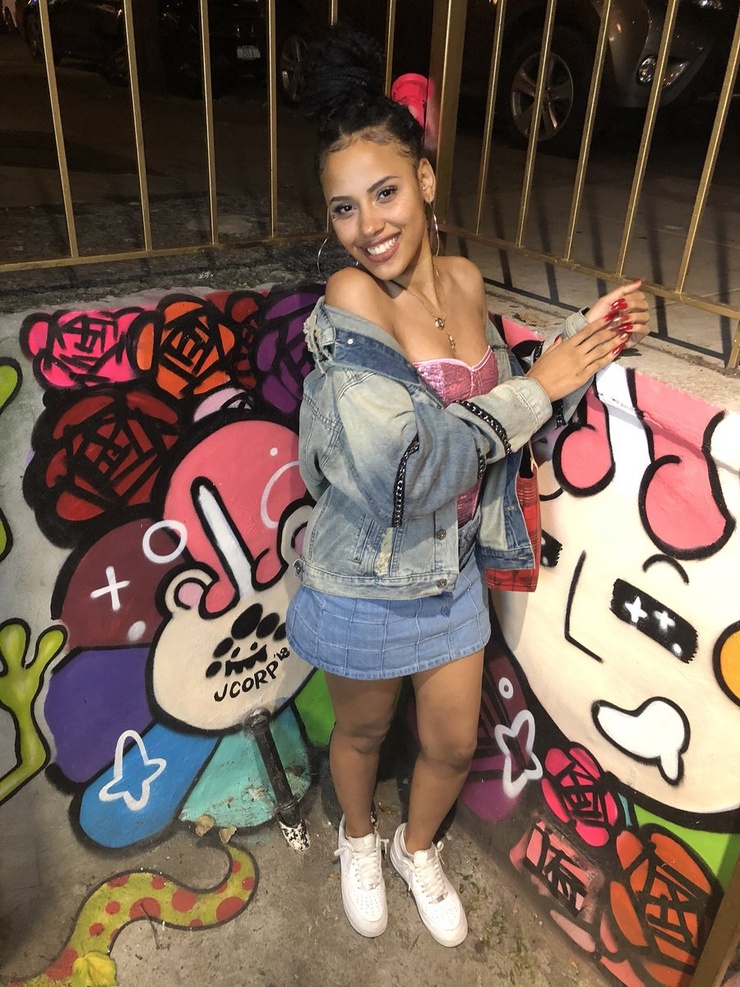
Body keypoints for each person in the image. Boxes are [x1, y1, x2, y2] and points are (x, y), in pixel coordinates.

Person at [286, 27, 649, 948]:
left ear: (425, 181)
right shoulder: (353, 299)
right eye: (343, 208)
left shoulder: (462, 279)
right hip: (366, 574)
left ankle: (415, 848)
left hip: (452, 572)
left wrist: (586, 338)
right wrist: (542, 386)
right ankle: (358, 838)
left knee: (450, 742)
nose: (367, 225)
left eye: (385, 192)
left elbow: (504, 397)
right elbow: (415, 467)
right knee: (363, 735)